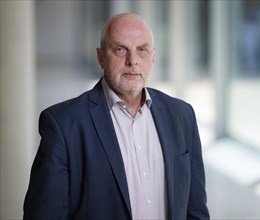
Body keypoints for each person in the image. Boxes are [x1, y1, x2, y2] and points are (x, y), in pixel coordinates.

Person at [23, 13, 210, 220]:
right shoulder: (63, 125)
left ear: (153, 56)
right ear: (101, 57)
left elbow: (196, 211)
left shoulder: (182, 116)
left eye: (142, 50)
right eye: (120, 50)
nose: (132, 61)